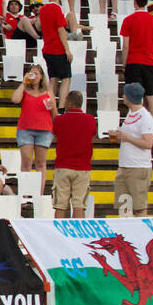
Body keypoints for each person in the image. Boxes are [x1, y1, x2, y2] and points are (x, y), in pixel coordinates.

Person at [11, 64, 57, 194]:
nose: (34, 76)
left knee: (41, 163)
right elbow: (15, 99)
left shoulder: (48, 92)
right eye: (32, 73)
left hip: (44, 130)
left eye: (37, 74)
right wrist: (24, 83)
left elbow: (55, 115)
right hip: (25, 129)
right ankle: (25, 193)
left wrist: (52, 106)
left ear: (42, 76)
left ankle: (39, 193)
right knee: (26, 161)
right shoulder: (25, 90)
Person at [111, 81, 153, 217]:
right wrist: (119, 136)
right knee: (124, 206)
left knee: (139, 206)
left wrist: (127, 137)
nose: (123, 96)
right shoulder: (130, 114)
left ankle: (141, 234)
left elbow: (148, 143)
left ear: (128, 97)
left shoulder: (145, 117)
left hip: (138, 167)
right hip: (124, 166)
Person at [119, 0, 153, 124]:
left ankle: (135, 123)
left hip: (133, 61)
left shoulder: (128, 20)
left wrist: (124, 63)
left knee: (133, 95)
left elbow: (125, 46)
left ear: (134, 2)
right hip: (149, 62)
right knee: (151, 95)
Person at [51, 90, 96, 218]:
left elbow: (55, 132)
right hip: (83, 167)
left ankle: (58, 234)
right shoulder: (90, 119)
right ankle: (78, 235)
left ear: (69, 103)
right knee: (79, 206)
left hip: (63, 166)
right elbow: (92, 133)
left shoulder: (61, 120)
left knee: (60, 205)